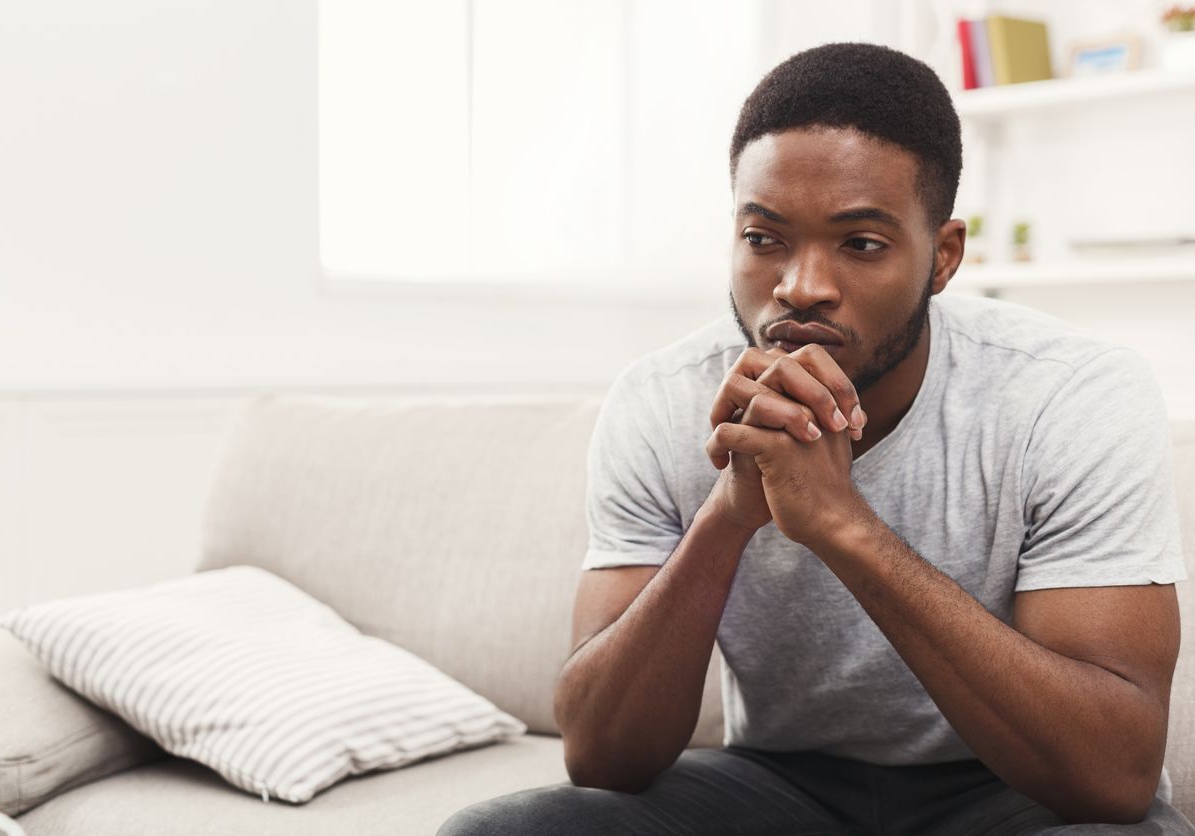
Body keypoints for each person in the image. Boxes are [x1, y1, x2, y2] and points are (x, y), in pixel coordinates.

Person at [438, 42, 1193, 835]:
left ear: (942, 257)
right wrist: (729, 513)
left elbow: (1113, 778)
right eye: (764, 239)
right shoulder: (660, 401)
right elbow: (602, 758)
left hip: (1009, 794)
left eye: (860, 244)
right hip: (778, 787)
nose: (800, 287)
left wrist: (843, 526)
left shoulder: (1071, 393)